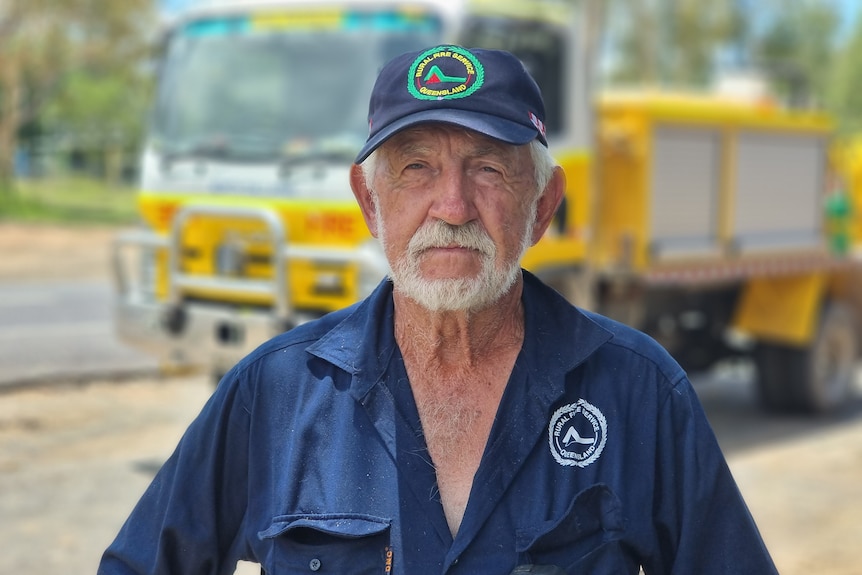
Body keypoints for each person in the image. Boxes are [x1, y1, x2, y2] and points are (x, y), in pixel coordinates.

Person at [99, 45, 778, 574]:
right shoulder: (276, 391)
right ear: (372, 203)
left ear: (542, 206)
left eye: (487, 168)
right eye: (416, 167)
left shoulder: (639, 391)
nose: (451, 207)